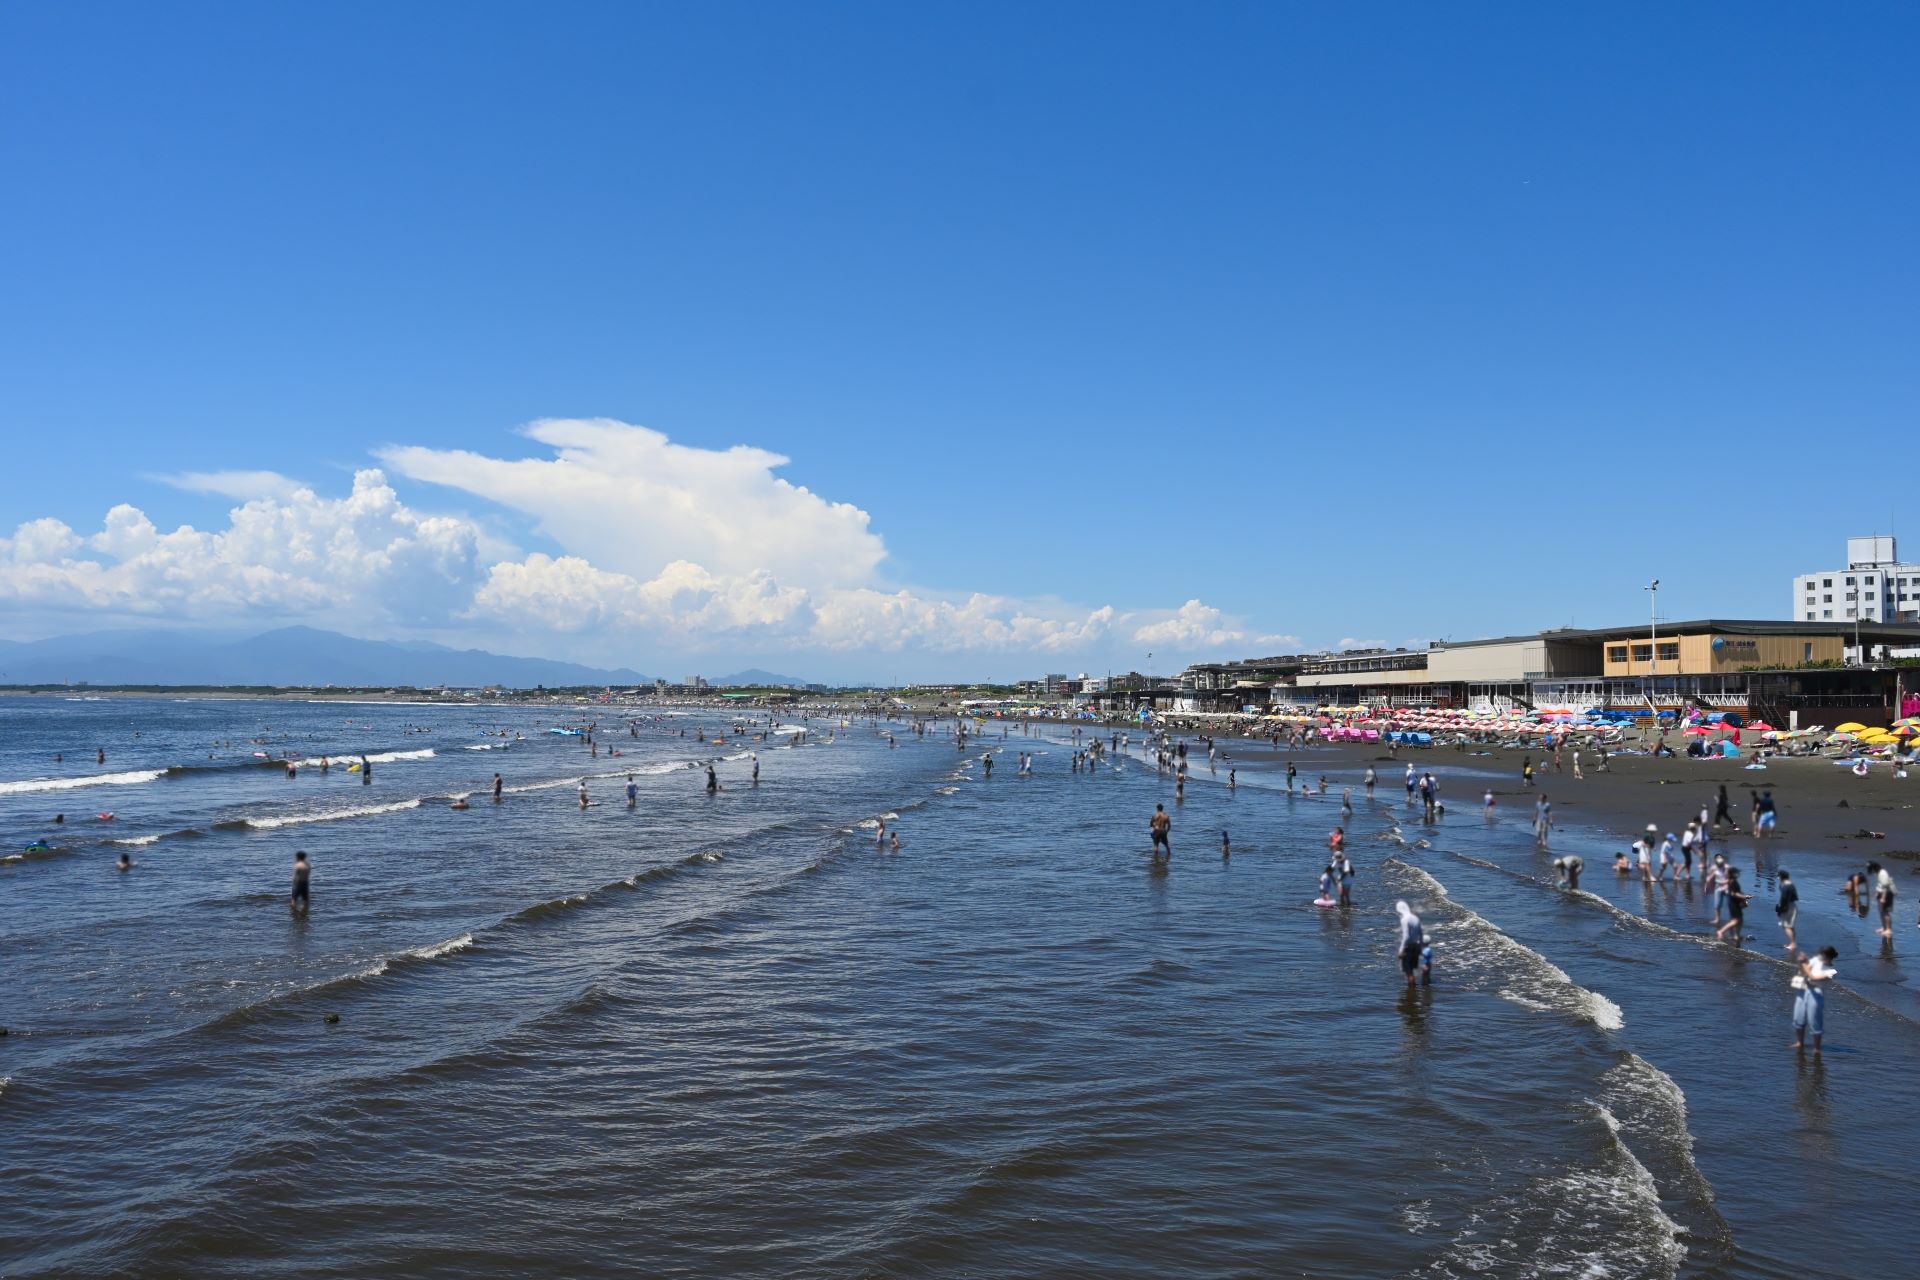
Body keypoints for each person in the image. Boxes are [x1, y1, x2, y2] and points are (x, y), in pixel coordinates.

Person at [1791, 946, 1840, 1053]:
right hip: (1803, 989)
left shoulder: (1831, 971)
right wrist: (1801, 962)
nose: (1820, 956)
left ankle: (1816, 1048)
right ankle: (1800, 1042)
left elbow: (1813, 977)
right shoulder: (1816, 960)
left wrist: (1805, 964)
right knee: (1799, 1017)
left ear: (1829, 957)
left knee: (1815, 1020)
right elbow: (1803, 972)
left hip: (1816, 993)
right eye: (1820, 954)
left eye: (1822, 955)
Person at [1716, 868, 1751, 943]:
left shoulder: (1734, 882)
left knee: (1740, 920)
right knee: (1736, 920)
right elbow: (1734, 893)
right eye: (1735, 873)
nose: (1737, 874)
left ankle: (1736, 935)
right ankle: (1721, 931)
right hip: (1733, 903)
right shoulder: (1732, 882)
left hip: (1735, 901)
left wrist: (1745, 895)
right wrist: (1744, 897)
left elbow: (1738, 891)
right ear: (1731, 874)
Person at [1395, 901, 1425, 987]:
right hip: (1416, 946)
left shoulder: (1404, 919)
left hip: (1408, 947)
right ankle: (1414, 990)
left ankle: (1411, 992)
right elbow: (1421, 933)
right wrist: (1421, 947)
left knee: (1409, 972)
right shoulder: (1415, 918)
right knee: (1411, 970)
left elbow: (1406, 936)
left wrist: (1401, 950)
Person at [1776, 869, 1800, 951]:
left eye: (1779, 876)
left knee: (1786, 926)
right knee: (1791, 926)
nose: (1778, 878)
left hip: (1787, 907)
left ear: (1781, 877)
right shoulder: (1791, 885)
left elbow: (1784, 899)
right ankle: (1792, 943)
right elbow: (1795, 897)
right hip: (1793, 906)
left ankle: (1792, 944)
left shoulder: (1784, 886)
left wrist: (1780, 909)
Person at [1872, 861, 1897, 938]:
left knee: (1886, 912)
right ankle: (1884, 927)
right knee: (1881, 911)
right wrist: (1877, 894)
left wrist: (1883, 897)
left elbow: (1885, 886)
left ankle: (1889, 930)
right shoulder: (1879, 873)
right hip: (1882, 894)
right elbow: (1880, 885)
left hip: (1887, 894)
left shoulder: (1883, 873)